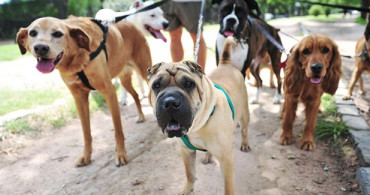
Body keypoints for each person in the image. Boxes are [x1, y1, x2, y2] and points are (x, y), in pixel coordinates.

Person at [161, 0, 207, 72]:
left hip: (191, 2)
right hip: (168, 2)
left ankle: (200, 75)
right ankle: (176, 73)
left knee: (196, 37)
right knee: (174, 36)